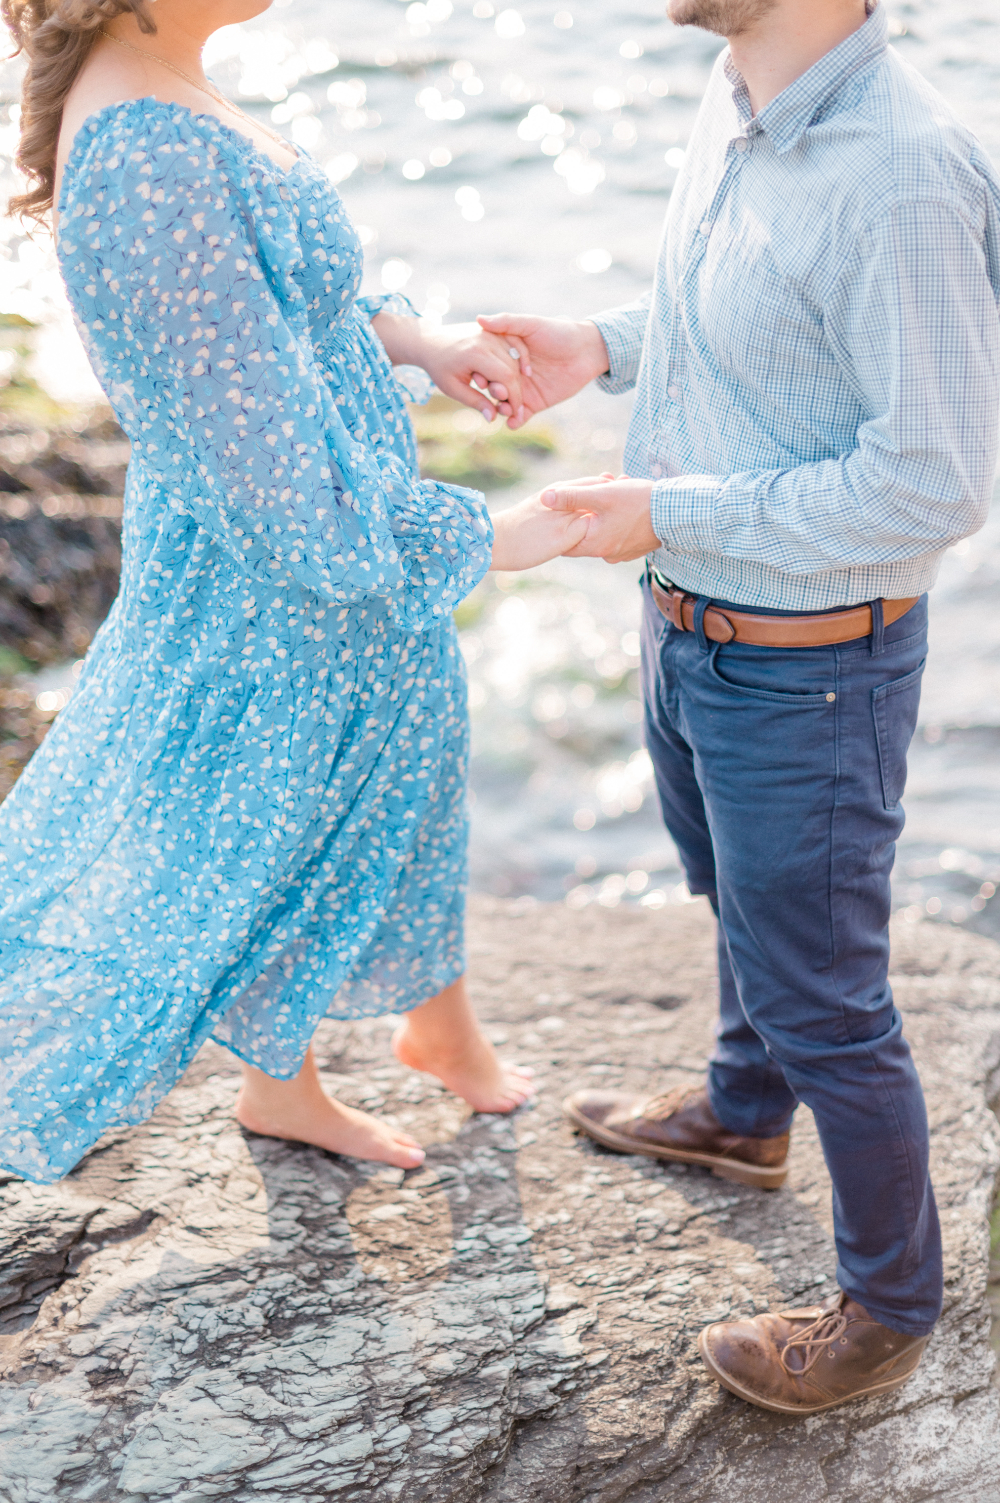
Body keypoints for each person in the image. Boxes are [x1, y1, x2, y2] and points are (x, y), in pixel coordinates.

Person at [482, 0, 1000, 1415]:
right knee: (736, 899)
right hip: (691, 625)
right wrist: (604, 342)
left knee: (828, 996)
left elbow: (933, 480)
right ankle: (741, 1109)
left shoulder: (904, 174)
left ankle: (890, 1306)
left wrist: (663, 505)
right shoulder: (740, 98)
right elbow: (750, 331)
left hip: (811, 664)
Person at [0, 0, 592, 1186]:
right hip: (280, 566)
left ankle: (434, 1024)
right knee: (261, 817)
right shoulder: (149, 151)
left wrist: (420, 343)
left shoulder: (174, 90)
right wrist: (503, 533)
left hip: (326, 527)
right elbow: (274, 490)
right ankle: (285, 1086)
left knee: (407, 747)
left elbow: (288, 311)